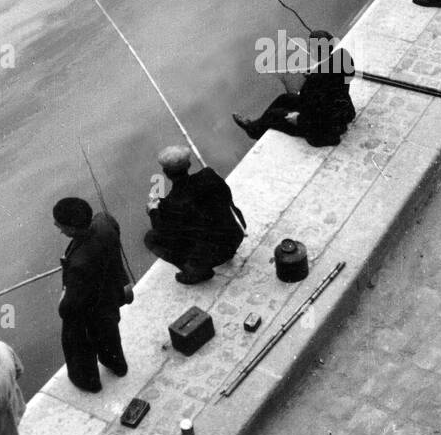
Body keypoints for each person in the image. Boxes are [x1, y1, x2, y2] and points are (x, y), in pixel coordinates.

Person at [54, 196, 131, 392]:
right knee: (110, 335)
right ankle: (117, 366)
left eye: (60, 224)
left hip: (90, 310)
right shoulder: (105, 222)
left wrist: (63, 302)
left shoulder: (79, 264)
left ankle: (88, 381)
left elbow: (70, 307)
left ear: (71, 229)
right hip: (111, 298)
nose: (57, 226)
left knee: (77, 344)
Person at [234, 30, 356, 147]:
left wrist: (298, 119)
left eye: (309, 46)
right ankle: (255, 127)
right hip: (343, 112)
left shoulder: (314, 81)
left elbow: (312, 109)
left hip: (324, 127)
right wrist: (317, 71)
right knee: (285, 98)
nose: (308, 49)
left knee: (273, 115)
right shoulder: (343, 57)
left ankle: (253, 130)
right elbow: (336, 78)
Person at [144, 145, 245, 284]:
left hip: (215, 254)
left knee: (150, 238)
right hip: (235, 236)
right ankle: (223, 254)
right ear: (189, 164)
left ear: (165, 172)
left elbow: (163, 232)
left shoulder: (172, 204)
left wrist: (153, 211)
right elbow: (226, 197)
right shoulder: (210, 175)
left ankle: (197, 271)